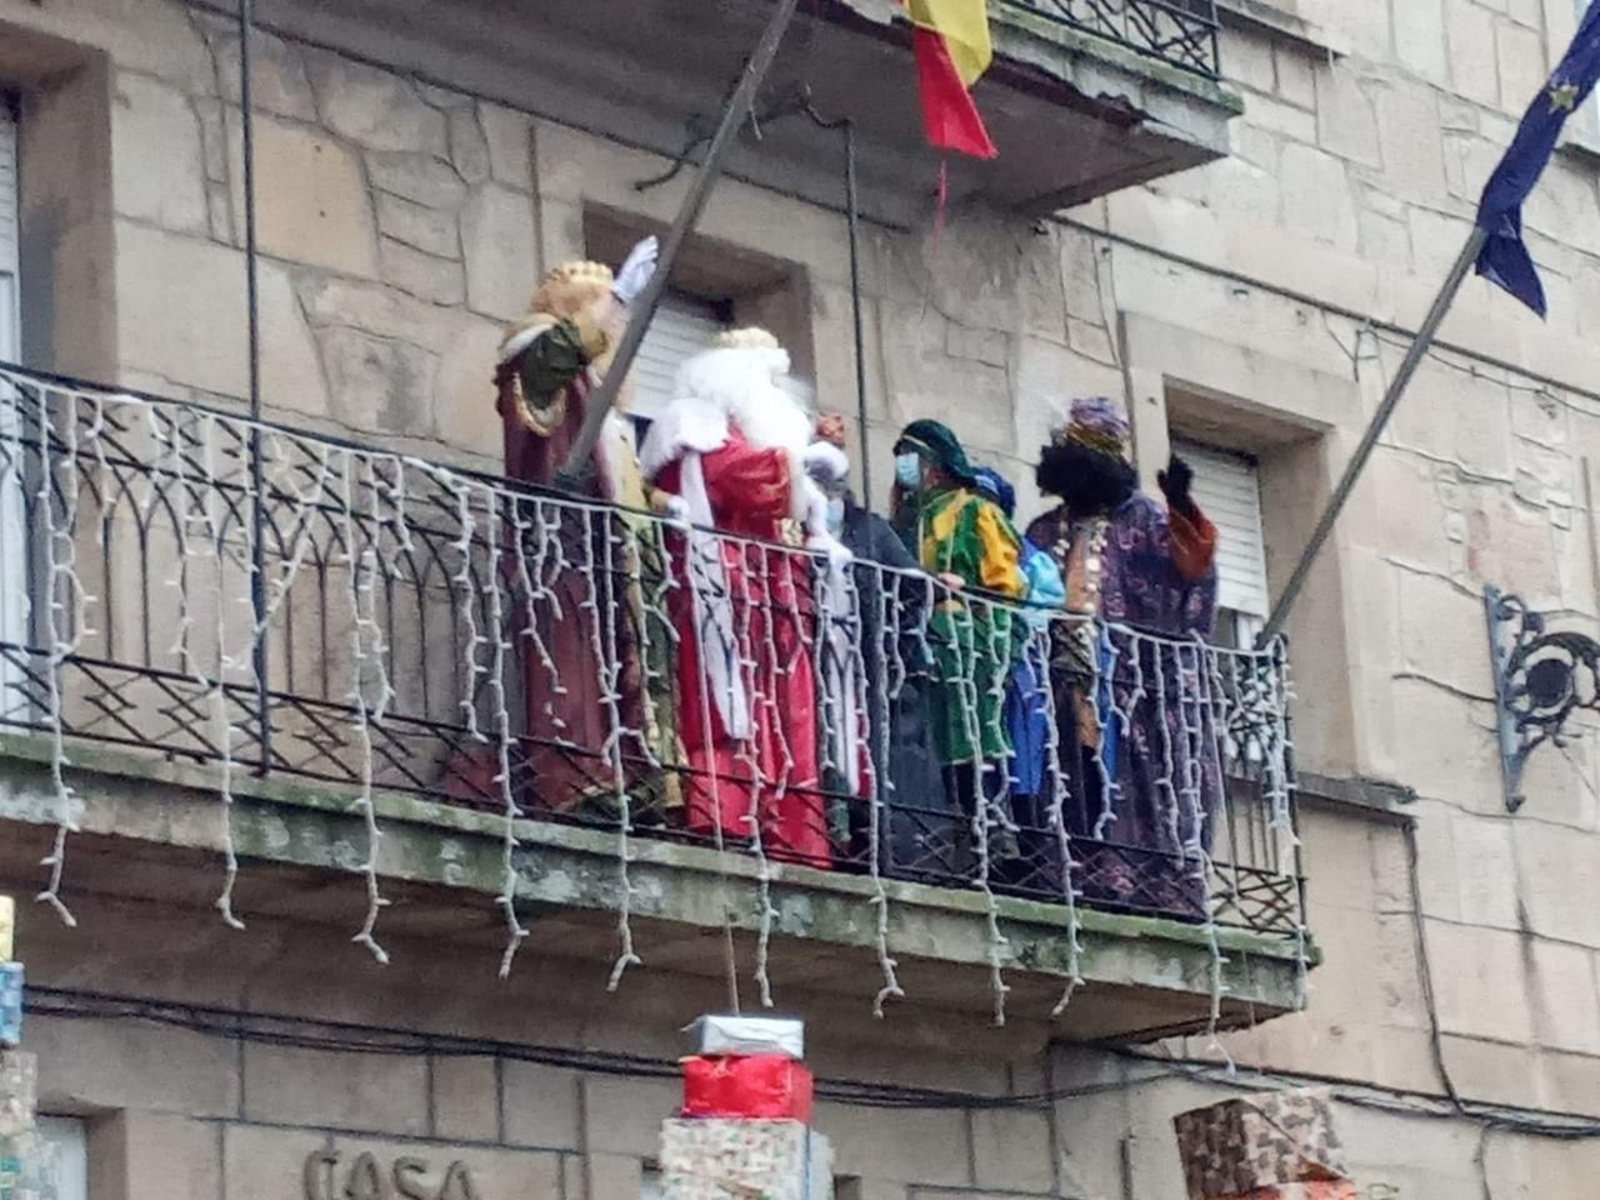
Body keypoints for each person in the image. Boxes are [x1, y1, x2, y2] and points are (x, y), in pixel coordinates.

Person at [473, 239, 673, 818]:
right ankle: (576, 778)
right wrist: (616, 300)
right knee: (572, 665)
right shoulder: (535, 359)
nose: (614, 332)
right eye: (601, 316)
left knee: (622, 665)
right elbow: (548, 367)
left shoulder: (602, 402)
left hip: (614, 557)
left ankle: (632, 774)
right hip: (562, 548)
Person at [640, 329, 846, 868]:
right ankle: (728, 812)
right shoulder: (693, 425)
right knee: (728, 706)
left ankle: (790, 826)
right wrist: (797, 466)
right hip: (722, 593)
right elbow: (739, 477)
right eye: (765, 379)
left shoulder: (746, 430)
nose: (775, 392)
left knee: (783, 713)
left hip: (771, 593)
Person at [1025, 397, 1220, 921]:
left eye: (1094, 447)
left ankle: (1138, 877)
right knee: (1070, 773)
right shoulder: (1045, 530)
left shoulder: (1146, 520)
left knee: (1131, 778)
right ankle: (1068, 870)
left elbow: (1192, 571)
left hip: (1132, 686)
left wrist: (1182, 507)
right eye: (1076, 445)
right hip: (1062, 680)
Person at [807, 415, 957, 879]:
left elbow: (911, 582)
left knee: (885, 759)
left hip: (875, 669)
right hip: (817, 667)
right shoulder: (797, 527)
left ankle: (899, 853)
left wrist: (936, 585)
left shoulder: (868, 527)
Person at [890, 420, 1025, 873]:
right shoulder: (904, 522)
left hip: (968, 646)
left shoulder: (975, 513)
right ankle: (938, 843)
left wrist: (963, 595)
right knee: (928, 750)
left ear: (935, 464)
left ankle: (994, 838)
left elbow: (1007, 590)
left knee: (976, 743)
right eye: (900, 455)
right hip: (918, 648)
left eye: (912, 454)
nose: (904, 465)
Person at [973, 466, 1066, 894]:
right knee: (984, 760)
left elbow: (1047, 605)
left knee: (1021, 761)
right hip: (978, 669)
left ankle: (1026, 848)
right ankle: (986, 841)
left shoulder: (1029, 555)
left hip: (1020, 673)